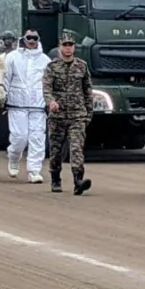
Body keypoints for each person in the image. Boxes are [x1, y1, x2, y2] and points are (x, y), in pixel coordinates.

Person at [43, 31, 94, 195]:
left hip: (77, 115)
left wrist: (88, 113)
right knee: (56, 150)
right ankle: (55, 179)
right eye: (64, 45)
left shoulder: (82, 66)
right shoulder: (52, 67)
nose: (67, 48)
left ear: (74, 48)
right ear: (59, 47)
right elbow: (46, 89)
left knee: (76, 148)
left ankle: (78, 180)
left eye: (70, 45)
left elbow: (87, 90)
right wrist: (51, 102)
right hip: (57, 116)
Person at [4, 29, 52, 183]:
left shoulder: (45, 60)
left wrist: (49, 101)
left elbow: (49, 83)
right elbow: (5, 79)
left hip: (38, 105)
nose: (31, 41)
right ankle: (13, 157)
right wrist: (3, 98)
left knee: (37, 138)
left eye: (34, 38)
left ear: (38, 39)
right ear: (23, 39)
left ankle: (34, 171)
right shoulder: (12, 57)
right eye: (29, 38)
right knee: (19, 138)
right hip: (17, 104)